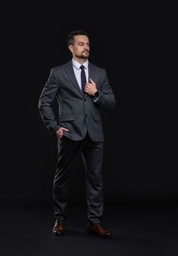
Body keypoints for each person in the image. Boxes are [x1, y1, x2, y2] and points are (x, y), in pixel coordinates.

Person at [38, 30, 116, 239]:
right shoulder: (58, 72)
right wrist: (54, 127)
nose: (86, 47)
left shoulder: (100, 73)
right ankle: (60, 219)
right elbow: (43, 102)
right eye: (81, 44)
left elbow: (111, 102)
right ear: (71, 48)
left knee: (95, 180)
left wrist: (96, 94)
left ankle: (94, 222)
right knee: (62, 178)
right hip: (70, 133)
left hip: (94, 134)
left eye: (88, 43)